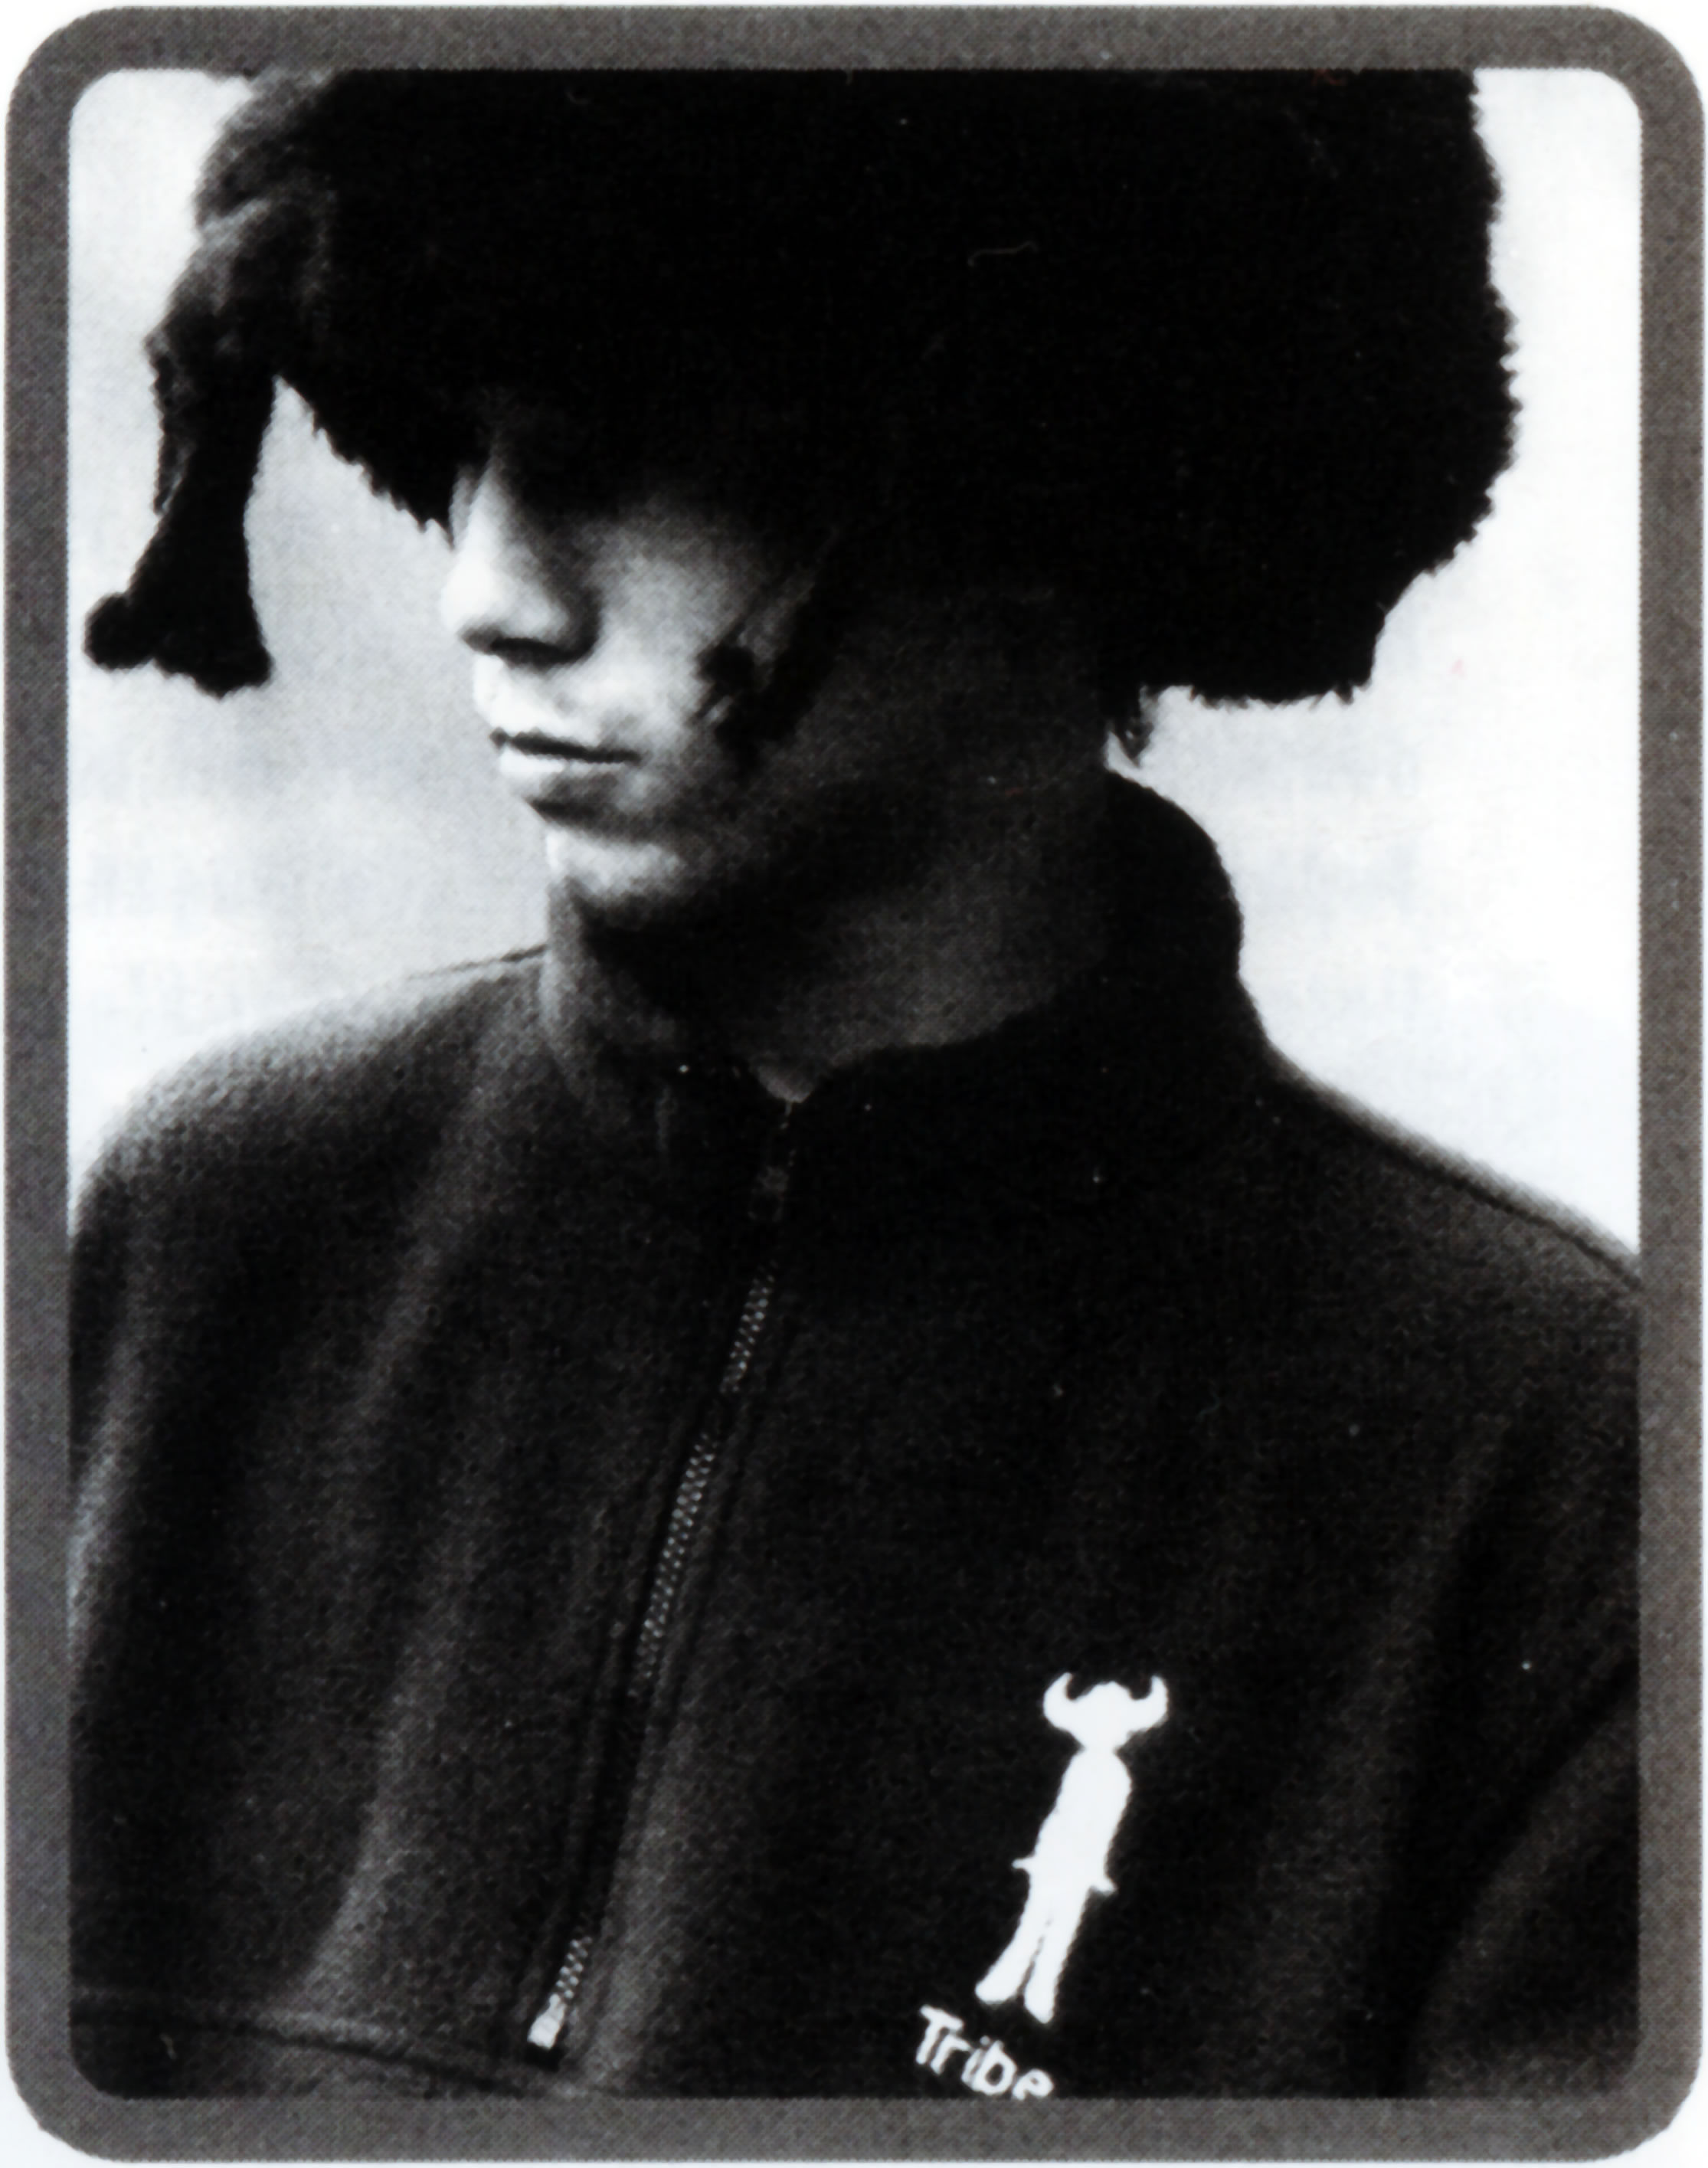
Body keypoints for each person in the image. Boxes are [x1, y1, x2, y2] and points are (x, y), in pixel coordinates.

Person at [70, 68, 1635, 2099]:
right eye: (461, 450)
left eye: (622, 458)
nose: (490, 595)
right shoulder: (219, 1222)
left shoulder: (1547, 1462)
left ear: (1027, 481)